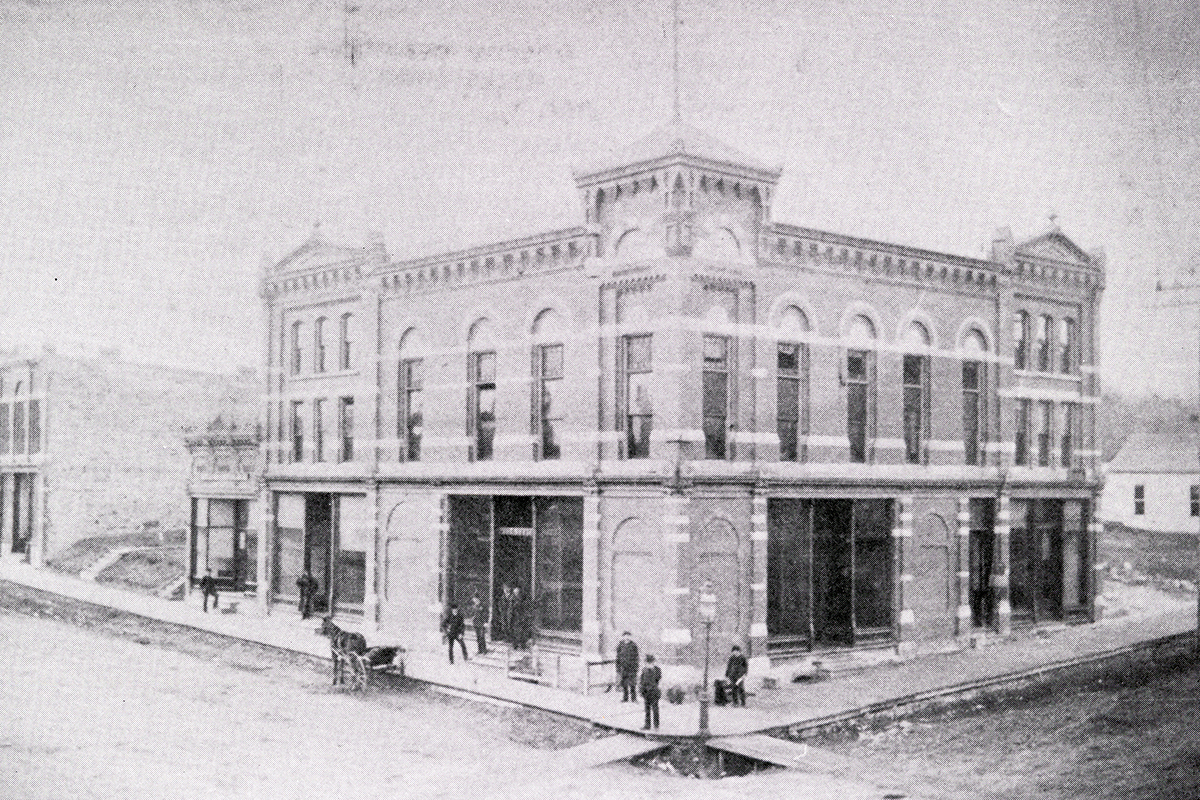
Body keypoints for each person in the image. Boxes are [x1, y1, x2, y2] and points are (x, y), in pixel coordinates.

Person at [639, 654, 661, 730]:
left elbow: (658, 679)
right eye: (647, 663)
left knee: (655, 709)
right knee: (647, 709)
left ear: (653, 662)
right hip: (646, 692)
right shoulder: (644, 670)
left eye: (650, 662)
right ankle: (647, 725)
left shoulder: (657, 670)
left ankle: (656, 726)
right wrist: (641, 690)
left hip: (654, 692)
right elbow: (641, 681)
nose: (648, 664)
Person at [615, 631, 639, 702]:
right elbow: (618, 656)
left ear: (630, 637)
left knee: (632, 684)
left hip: (632, 668)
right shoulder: (620, 645)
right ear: (623, 637)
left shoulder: (633, 645)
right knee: (624, 683)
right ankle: (625, 698)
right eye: (625, 636)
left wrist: (636, 667)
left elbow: (636, 657)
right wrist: (618, 667)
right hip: (623, 667)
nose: (627, 637)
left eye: (628, 636)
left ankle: (634, 699)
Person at [468, 591, 488, 656]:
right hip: (476, 623)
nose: (475, 600)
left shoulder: (483, 605)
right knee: (478, 637)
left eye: (476, 599)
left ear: (478, 599)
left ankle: (484, 650)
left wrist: (485, 622)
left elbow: (486, 614)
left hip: (481, 623)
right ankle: (479, 650)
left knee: (482, 636)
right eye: (474, 599)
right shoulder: (474, 606)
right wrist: (472, 617)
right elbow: (472, 613)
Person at [509, 585, 529, 650]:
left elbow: (524, 609)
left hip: (520, 618)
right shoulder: (513, 600)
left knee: (521, 632)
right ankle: (515, 645)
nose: (516, 595)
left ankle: (522, 645)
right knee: (515, 632)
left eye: (517, 593)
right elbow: (511, 610)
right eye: (515, 593)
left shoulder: (521, 600)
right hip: (515, 619)